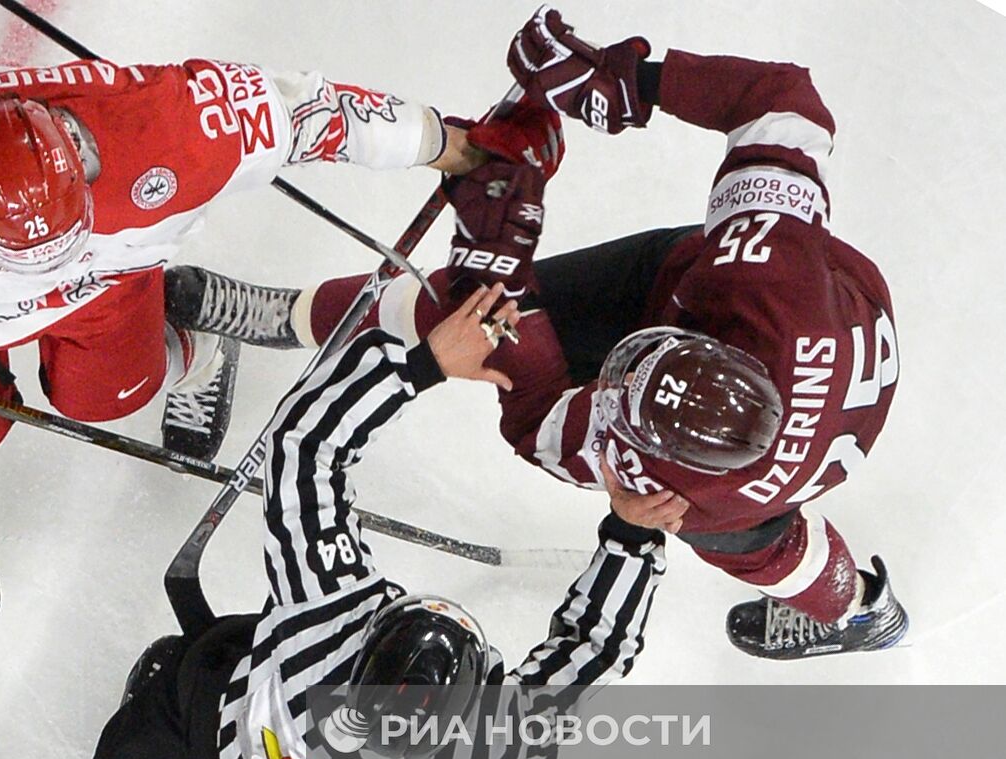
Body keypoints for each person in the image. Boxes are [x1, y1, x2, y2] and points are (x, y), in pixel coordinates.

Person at [161, 7, 908, 660]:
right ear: (707, 340)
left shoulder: (671, 487)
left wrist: (501, 269)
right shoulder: (764, 259)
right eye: (637, 358)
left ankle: (855, 610)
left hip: (763, 464)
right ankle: (287, 314)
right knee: (479, 301)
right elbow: (781, 103)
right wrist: (630, 83)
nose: (612, 371)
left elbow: (540, 421)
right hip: (803, 339)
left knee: (763, 546)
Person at [0, 56, 520, 621]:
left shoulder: (170, 127)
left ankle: (197, 351)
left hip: (103, 281)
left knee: (111, 396)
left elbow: (315, 114)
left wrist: (451, 145)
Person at [91, 161, 667, 759]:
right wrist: (631, 537)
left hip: (239, 758)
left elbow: (305, 448)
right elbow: (595, 649)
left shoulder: (321, 631)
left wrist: (424, 364)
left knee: (197, 668)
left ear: (361, 650)